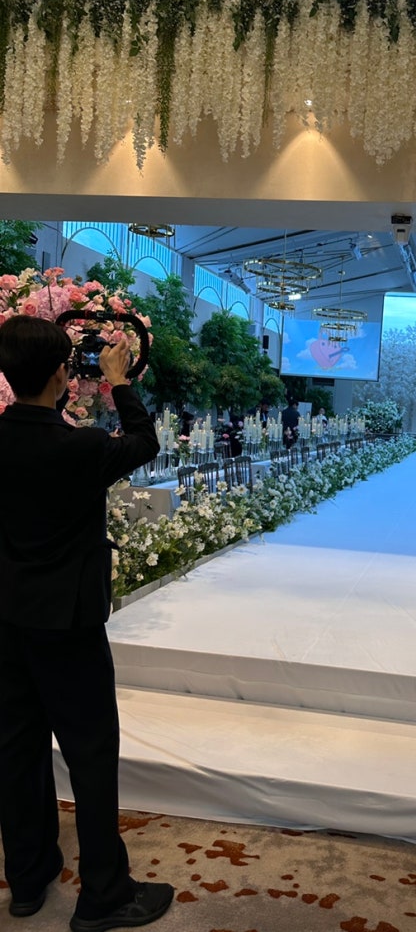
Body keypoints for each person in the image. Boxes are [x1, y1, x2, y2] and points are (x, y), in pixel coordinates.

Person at [0, 316, 174, 931]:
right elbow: (144, 441)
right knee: (92, 756)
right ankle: (103, 894)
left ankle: (27, 879)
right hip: (69, 624)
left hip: (6, 621)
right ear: (61, 375)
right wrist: (119, 382)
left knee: (16, 752)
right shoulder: (81, 447)